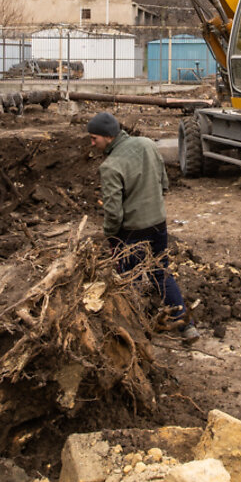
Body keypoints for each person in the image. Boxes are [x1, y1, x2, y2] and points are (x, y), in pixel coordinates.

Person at [88, 112, 199, 341]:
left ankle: (136, 334)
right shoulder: (148, 144)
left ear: (108, 137)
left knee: (130, 282)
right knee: (162, 273)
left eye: (94, 138)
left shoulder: (110, 166)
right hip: (158, 224)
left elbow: (113, 212)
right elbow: (163, 183)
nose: (91, 143)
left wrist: (110, 236)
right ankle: (187, 327)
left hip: (130, 233)